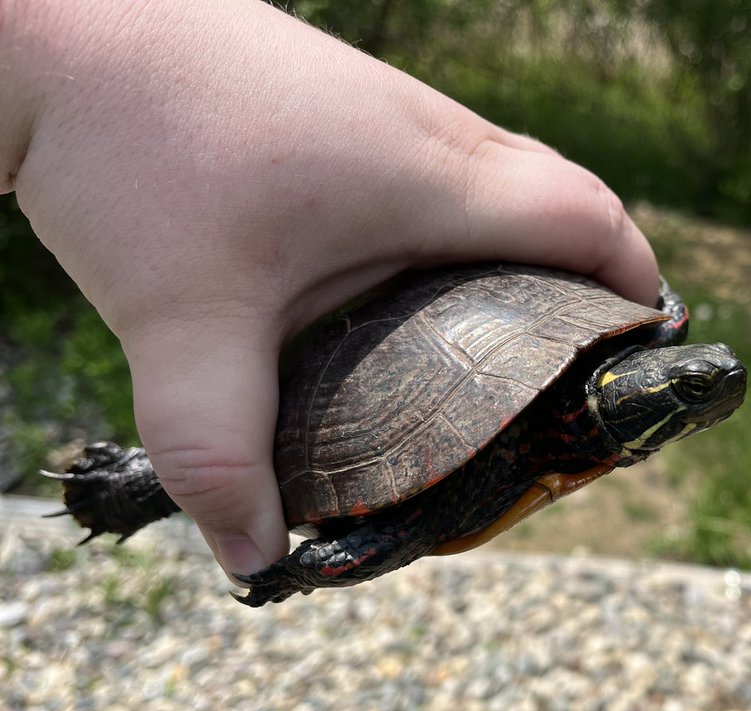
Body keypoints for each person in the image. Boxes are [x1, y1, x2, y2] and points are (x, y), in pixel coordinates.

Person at [0, 0, 660, 581]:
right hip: (342, 390)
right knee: (265, 447)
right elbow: (405, 520)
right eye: (689, 386)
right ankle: (149, 481)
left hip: (498, 331)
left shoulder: (605, 381)